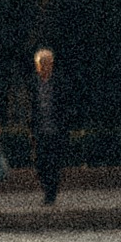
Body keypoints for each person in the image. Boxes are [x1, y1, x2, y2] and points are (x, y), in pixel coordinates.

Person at [28, 45, 70, 207]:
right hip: (38, 128)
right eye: (40, 63)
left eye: (46, 63)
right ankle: (46, 187)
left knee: (54, 162)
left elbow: (65, 105)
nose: (43, 66)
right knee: (39, 162)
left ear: (51, 64)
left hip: (56, 129)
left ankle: (50, 193)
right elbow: (28, 105)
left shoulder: (60, 82)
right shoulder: (32, 83)